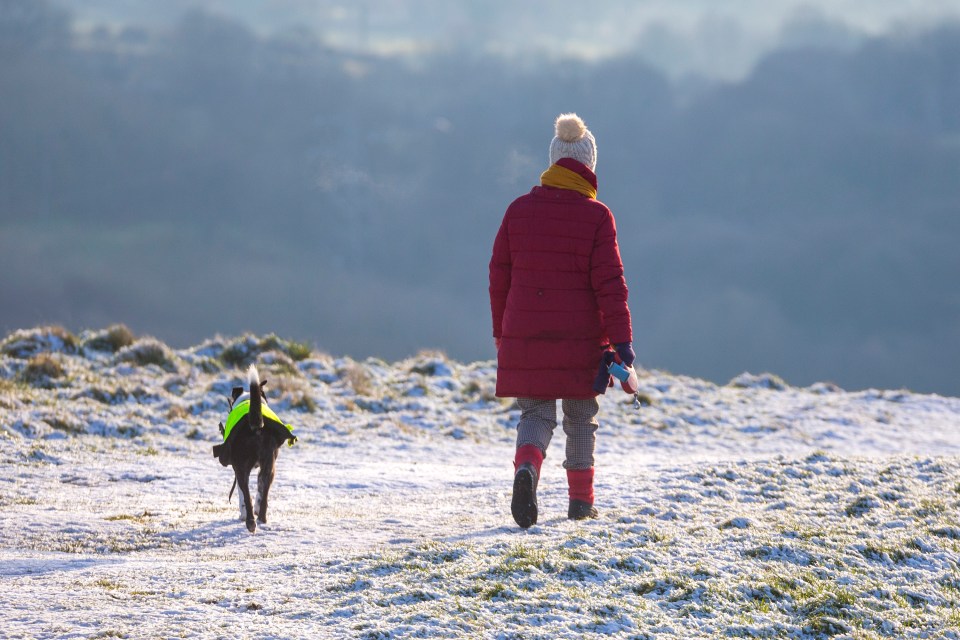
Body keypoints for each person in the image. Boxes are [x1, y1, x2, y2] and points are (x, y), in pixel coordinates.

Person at [489, 113, 634, 529]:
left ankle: (527, 469)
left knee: (534, 414)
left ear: (553, 163)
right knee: (579, 418)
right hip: (582, 340)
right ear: (589, 167)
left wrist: (502, 331)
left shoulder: (518, 211)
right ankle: (580, 504)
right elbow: (611, 285)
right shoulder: (597, 217)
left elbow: (499, 277)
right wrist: (623, 343)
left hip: (525, 334)